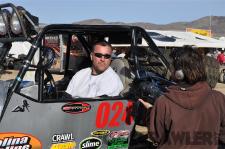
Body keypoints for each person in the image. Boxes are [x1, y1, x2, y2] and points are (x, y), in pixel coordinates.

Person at [139, 46, 225, 149]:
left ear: (179, 73)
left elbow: (156, 137)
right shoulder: (218, 99)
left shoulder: (163, 103)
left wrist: (151, 112)